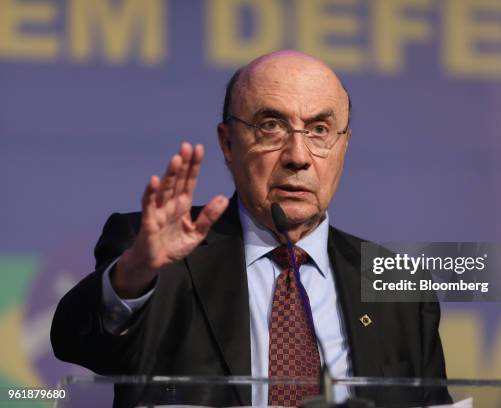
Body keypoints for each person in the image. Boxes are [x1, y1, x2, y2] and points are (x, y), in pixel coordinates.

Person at [51, 50, 449, 408]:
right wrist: (136, 269)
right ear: (228, 143)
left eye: (319, 131)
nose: (298, 156)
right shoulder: (160, 257)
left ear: (343, 146)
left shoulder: (399, 286)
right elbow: (76, 341)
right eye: (271, 126)